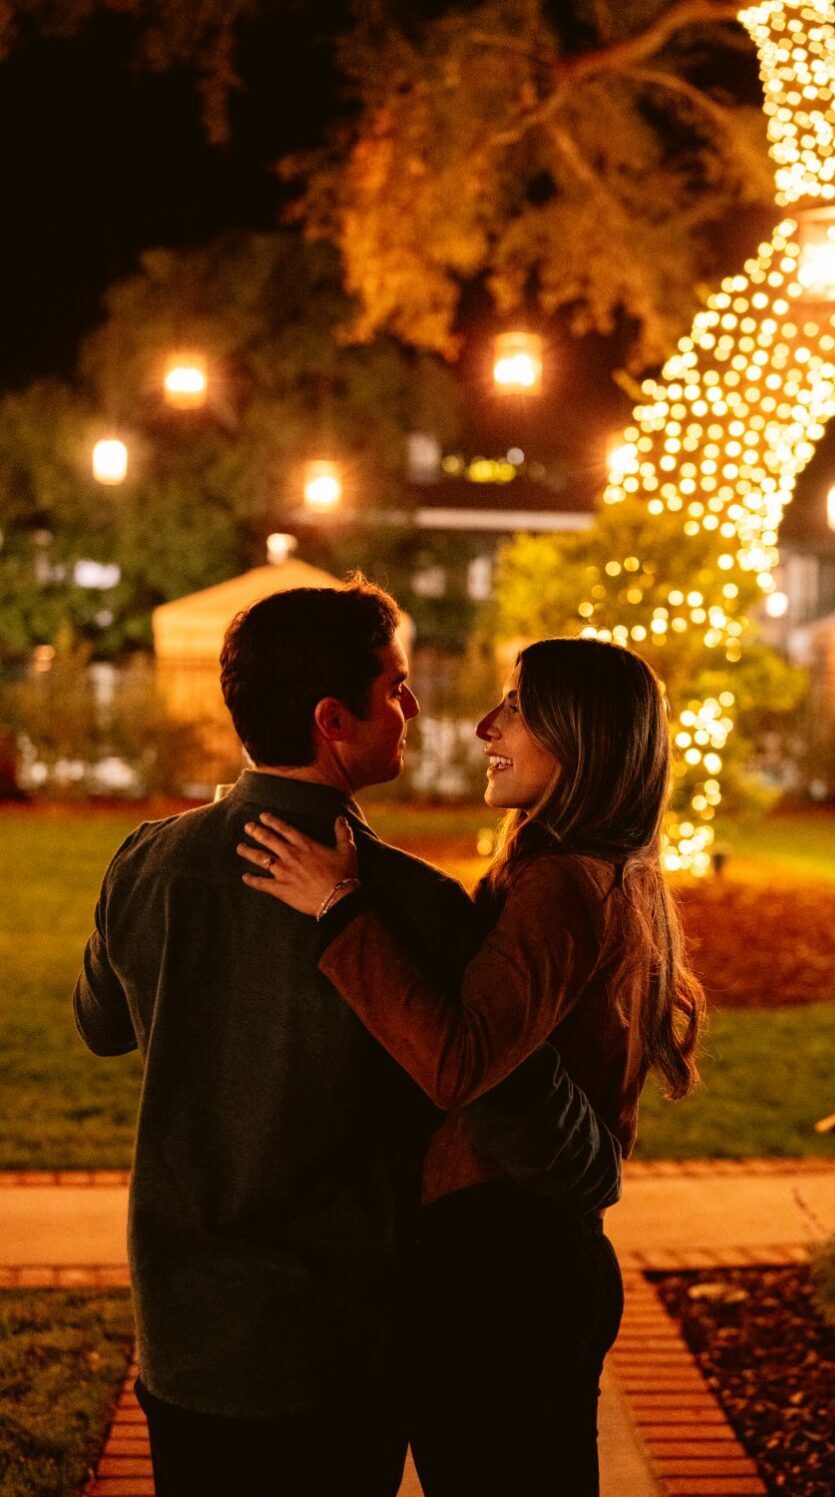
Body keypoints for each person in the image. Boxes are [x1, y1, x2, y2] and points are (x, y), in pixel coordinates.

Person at [73, 583, 622, 1497]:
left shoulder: (148, 861)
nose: (414, 708)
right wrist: (593, 1163)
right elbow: (502, 1099)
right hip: (342, 1345)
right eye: (396, 687)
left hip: (186, 1336)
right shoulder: (417, 908)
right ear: (334, 719)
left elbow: (99, 1023)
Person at [240, 634, 706, 1497]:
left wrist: (337, 910)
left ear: (584, 734)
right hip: (529, 1259)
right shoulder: (605, 871)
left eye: (518, 708)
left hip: (503, 1275)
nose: (488, 725)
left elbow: (458, 1061)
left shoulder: (564, 884)